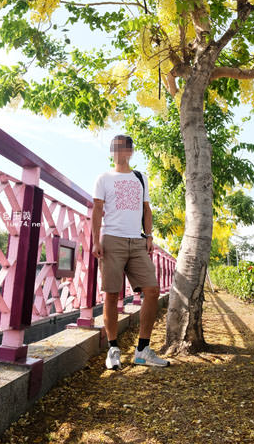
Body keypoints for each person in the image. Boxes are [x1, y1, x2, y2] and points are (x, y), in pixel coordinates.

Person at [91, 134, 170, 369]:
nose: (118, 152)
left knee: (152, 290)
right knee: (112, 294)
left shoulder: (140, 177)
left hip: (137, 241)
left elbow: (147, 210)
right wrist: (96, 241)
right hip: (111, 240)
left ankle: (143, 349)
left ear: (130, 152)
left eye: (122, 148)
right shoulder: (103, 178)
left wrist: (149, 236)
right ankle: (113, 349)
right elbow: (97, 210)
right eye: (114, 148)